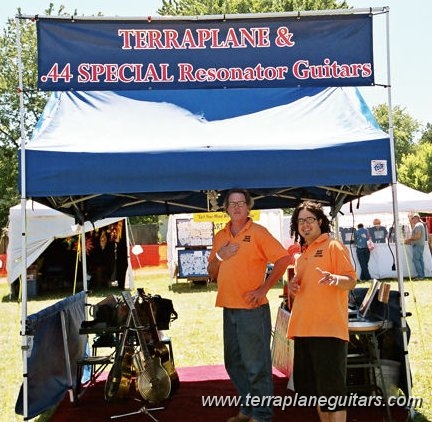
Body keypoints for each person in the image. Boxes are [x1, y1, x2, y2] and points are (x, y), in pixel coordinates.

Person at [207, 188, 290, 422]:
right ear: (225, 208)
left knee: (256, 366)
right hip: (228, 307)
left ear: (248, 206)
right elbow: (211, 271)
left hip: (252, 310)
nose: (236, 207)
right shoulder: (220, 236)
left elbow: (284, 259)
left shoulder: (258, 233)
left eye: (241, 203)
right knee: (233, 362)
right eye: (232, 203)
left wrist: (264, 288)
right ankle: (248, 408)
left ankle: (262, 415)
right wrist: (221, 255)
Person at [287, 201, 357, 422]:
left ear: (319, 221)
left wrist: (335, 278)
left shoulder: (333, 246)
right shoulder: (302, 254)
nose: (305, 225)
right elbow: (303, 289)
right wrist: (292, 287)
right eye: (300, 221)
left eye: (309, 219)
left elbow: (351, 281)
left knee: (333, 393)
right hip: (303, 330)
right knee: (317, 392)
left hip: (328, 330)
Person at [405, 213, 426, 279]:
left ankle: (420, 275)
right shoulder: (420, 225)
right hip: (419, 244)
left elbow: (417, 236)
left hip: (417, 245)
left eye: (412, 218)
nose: (411, 220)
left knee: (416, 260)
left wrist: (408, 239)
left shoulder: (418, 225)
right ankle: (422, 275)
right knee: (420, 260)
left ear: (416, 218)